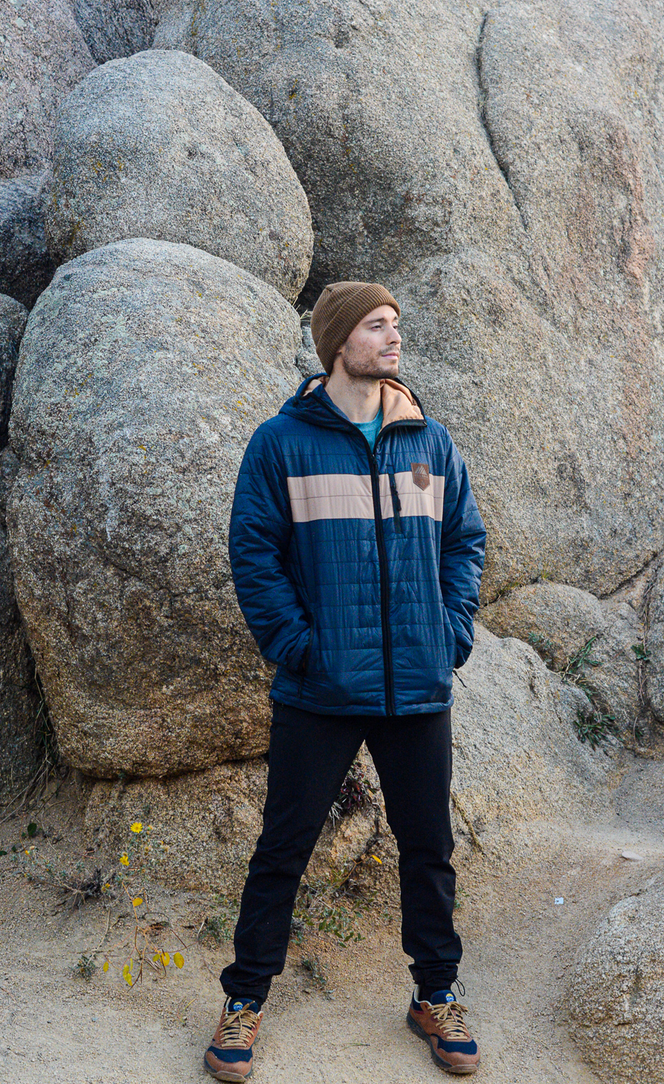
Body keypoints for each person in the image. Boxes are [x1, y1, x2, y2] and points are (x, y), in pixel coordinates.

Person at [204, 280, 487, 1081]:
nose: (393, 337)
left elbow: (464, 540)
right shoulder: (281, 443)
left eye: (395, 324)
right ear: (337, 343)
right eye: (375, 325)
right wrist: (299, 647)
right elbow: (253, 553)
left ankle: (435, 995)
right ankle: (244, 1001)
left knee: (429, 849)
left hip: (417, 686)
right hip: (320, 688)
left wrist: (450, 632)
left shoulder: (428, 439)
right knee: (282, 849)